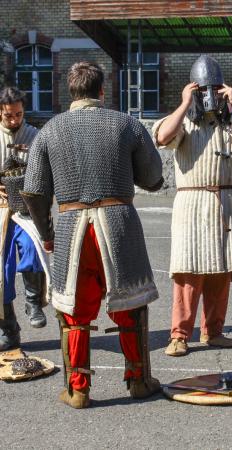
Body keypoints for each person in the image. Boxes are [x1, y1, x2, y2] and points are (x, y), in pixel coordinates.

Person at [22, 62, 163, 408]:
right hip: (118, 224)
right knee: (130, 304)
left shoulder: (49, 130)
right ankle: (139, 380)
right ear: (102, 90)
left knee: (74, 311)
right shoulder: (126, 124)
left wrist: (47, 232)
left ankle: (78, 388)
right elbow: (154, 179)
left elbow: (34, 191)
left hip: (73, 230)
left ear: (70, 91)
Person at [153, 55, 232, 357]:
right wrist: (183, 103)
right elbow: (162, 137)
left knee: (221, 271)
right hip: (192, 204)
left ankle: (213, 332)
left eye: (214, 89)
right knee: (188, 272)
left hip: (226, 203)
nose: (209, 96)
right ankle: (179, 335)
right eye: (203, 90)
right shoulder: (183, 123)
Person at [0, 87, 50, 351]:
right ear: (0, 112)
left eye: (18, 114)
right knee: (1, 270)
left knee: (32, 249)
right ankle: (8, 329)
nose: (14, 120)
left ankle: (33, 303)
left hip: (26, 209)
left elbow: (46, 170)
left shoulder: (34, 136)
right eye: (9, 115)